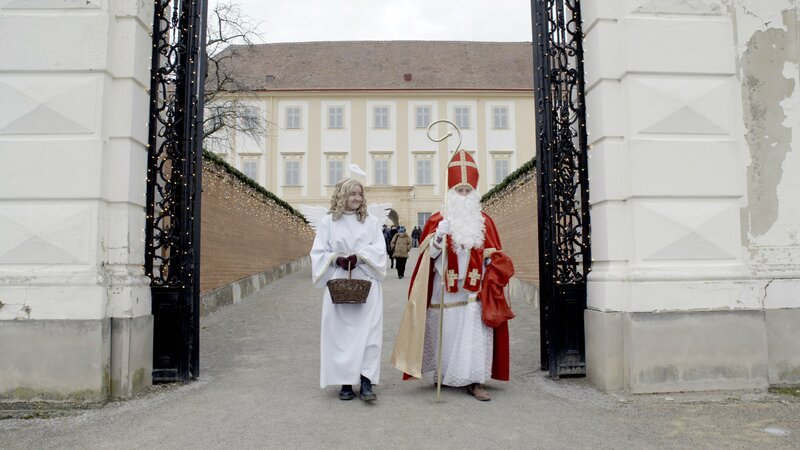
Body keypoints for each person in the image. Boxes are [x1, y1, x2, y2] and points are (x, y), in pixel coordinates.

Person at [391, 150, 515, 401]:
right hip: (444, 288)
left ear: (475, 192)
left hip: (473, 290)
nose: (465, 195)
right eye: (460, 190)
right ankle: (446, 374)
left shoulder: (484, 222)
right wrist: (438, 237)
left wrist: (491, 263)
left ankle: (474, 380)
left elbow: (495, 255)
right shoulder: (438, 219)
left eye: (468, 190)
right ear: (451, 192)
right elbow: (429, 258)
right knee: (445, 331)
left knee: (472, 333)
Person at [310, 178, 388, 402]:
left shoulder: (371, 221)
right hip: (339, 283)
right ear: (342, 194)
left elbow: (380, 250)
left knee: (369, 332)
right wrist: (336, 259)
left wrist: (360, 257)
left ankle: (366, 380)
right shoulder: (328, 222)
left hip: (366, 281)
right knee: (341, 334)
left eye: (360, 194)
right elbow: (318, 252)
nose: (356, 198)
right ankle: (345, 381)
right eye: (352, 193)